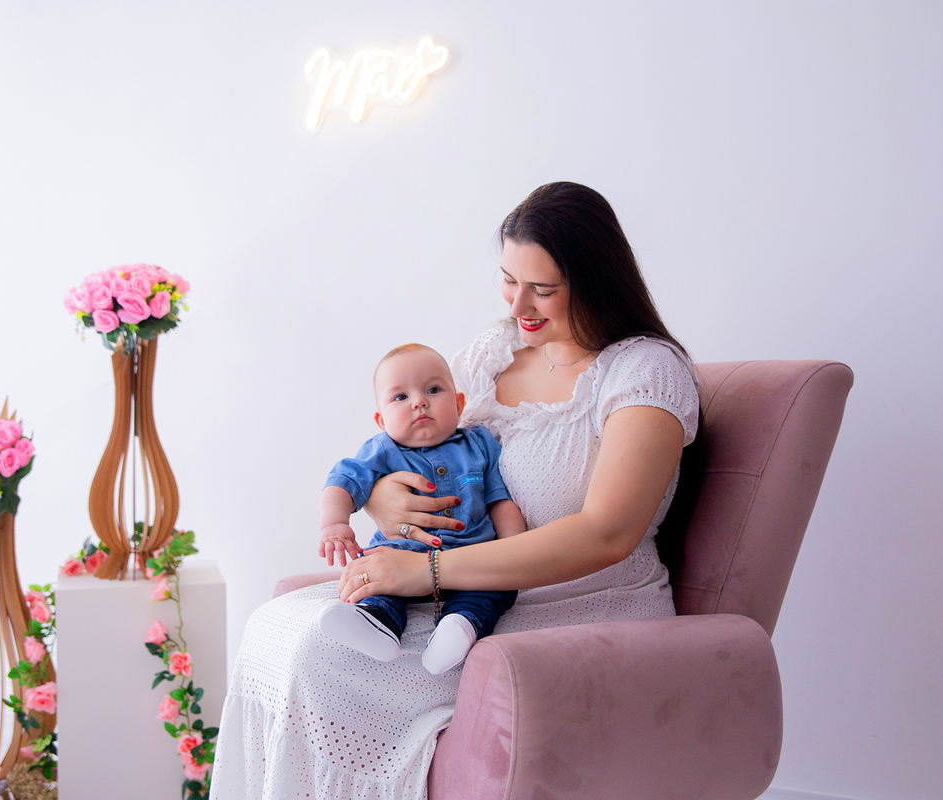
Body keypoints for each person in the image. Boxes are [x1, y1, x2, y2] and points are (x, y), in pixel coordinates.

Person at [210, 182, 699, 800]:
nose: (518, 305)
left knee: (321, 660)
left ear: (596, 280)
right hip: (454, 588)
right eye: (508, 280)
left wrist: (428, 572)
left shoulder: (644, 373)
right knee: (274, 628)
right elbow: (411, 439)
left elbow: (608, 532)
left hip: (570, 604)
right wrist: (381, 498)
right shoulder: (495, 354)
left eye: (543, 289)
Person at [317, 343, 527, 674]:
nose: (419, 402)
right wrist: (334, 524)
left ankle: (458, 628)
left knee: (489, 594)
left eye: (433, 389)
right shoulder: (381, 450)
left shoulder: (479, 444)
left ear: (459, 404)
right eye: (400, 397)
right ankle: (376, 623)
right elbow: (342, 482)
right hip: (397, 562)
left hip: (473, 564)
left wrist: (515, 548)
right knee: (375, 584)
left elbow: (499, 500)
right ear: (381, 420)